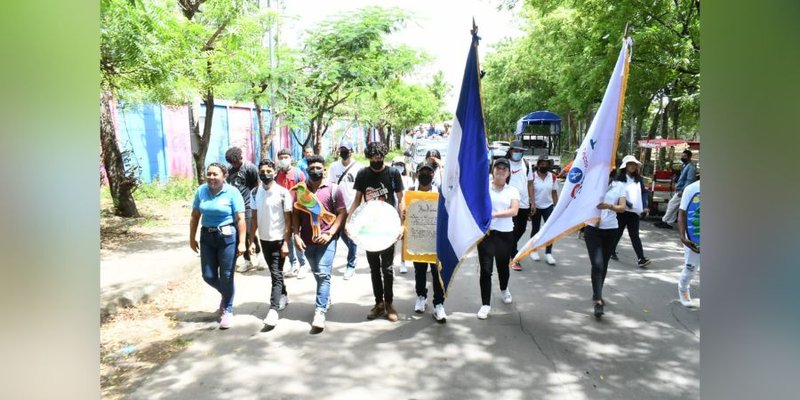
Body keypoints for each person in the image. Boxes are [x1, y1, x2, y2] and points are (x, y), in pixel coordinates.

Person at [348, 142, 405, 322]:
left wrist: (402, 225)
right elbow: (357, 199)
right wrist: (349, 222)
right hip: (368, 228)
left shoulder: (393, 173)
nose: (376, 159)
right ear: (368, 156)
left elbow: (401, 200)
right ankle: (378, 303)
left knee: (387, 268)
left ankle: (389, 303)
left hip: (388, 227)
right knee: (374, 268)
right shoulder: (363, 174)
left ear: (384, 156)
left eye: (379, 156)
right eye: (373, 156)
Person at [291, 155, 347, 330]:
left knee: (323, 273)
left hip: (327, 239)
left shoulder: (334, 189)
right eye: (312, 168)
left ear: (324, 169)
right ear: (307, 170)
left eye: (319, 168)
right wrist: (296, 235)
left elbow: (342, 213)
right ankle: (326, 295)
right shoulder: (300, 190)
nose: (315, 171)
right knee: (317, 272)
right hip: (307, 240)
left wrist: (330, 233)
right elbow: (295, 215)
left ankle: (320, 311)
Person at [189, 163, 247, 329]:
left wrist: (242, 243)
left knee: (227, 275)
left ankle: (227, 309)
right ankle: (227, 293)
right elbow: (195, 216)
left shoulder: (232, 192)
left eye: (215, 174)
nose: (211, 178)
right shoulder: (201, 191)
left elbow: (241, 219)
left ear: (224, 176)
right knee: (208, 275)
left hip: (227, 237)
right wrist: (191, 238)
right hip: (207, 236)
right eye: (209, 174)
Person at [249, 159, 293, 327]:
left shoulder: (283, 193)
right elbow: (254, 218)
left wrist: (286, 243)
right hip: (264, 239)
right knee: (276, 271)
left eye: (269, 171)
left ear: (275, 173)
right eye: (262, 171)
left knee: (275, 273)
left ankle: (273, 309)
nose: (265, 174)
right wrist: (251, 241)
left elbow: (288, 221)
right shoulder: (255, 192)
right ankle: (284, 295)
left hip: (279, 239)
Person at [476, 157, 520, 320]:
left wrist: (493, 214)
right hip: (486, 234)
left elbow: (514, 211)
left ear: (508, 173)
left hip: (505, 234)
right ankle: (485, 304)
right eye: (498, 168)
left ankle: (503, 288)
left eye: (504, 169)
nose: (500, 171)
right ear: (493, 171)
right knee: (486, 270)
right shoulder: (485, 188)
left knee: (503, 267)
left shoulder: (512, 191)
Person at [406, 162, 448, 321]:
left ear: (433, 175)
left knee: (438, 273)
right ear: (416, 174)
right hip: (417, 240)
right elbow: (405, 213)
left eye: (429, 172)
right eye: (422, 171)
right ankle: (421, 297)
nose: (425, 174)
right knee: (419, 271)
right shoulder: (411, 193)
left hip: (436, 242)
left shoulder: (440, 193)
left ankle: (439, 304)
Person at [584, 169, 627, 318]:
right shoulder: (591, 184)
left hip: (611, 230)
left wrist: (609, 206)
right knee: (597, 264)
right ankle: (597, 300)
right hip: (592, 229)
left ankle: (598, 294)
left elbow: (622, 207)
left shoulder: (619, 186)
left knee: (604, 264)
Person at [327, 140, 363, 280]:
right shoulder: (334, 167)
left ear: (351, 151)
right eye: (341, 149)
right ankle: (354, 251)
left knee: (352, 236)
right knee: (341, 234)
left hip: (353, 207)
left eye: (345, 149)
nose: (343, 151)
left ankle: (351, 265)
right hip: (338, 208)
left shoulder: (359, 168)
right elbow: (330, 185)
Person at [610, 155, 652, 268]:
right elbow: (617, 194)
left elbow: (644, 193)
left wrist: (645, 206)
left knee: (634, 235)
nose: (633, 166)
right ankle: (611, 250)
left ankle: (641, 258)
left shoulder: (639, 179)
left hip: (635, 212)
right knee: (618, 232)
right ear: (625, 166)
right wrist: (627, 203)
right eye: (630, 164)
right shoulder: (619, 179)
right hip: (622, 211)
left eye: (635, 164)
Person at [225, 147, 262, 273]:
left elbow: (257, 186)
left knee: (249, 232)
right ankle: (247, 261)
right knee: (239, 233)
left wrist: (256, 203)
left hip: (248, 205)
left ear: (241, 157)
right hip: (235, 207)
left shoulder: (250, 168)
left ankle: (258, 255)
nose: (234, 165)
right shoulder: (229, 170)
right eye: (232, 163)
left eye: (236, 162)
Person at [276, 148, 308, 278]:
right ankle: (293, 263)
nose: (283, 160)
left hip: (297, 210)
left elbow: (305, 192)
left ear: (290, 158)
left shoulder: (298, 174)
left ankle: (303, 263)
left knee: (296, 237)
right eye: (281, 157)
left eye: (286, 157)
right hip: (284, 212)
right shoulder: (277, 175)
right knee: (286, 237)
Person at [506, 140, 534, 271]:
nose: (518, 153)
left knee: (521, 229)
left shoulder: (527, 164)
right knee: (513, 228)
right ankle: (514, 258)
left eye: (520, 151)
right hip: (509, 203)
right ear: (510, 151)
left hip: (523, 203)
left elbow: (530, 184)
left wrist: (532, 201)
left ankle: (509, 246)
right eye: (515, 150)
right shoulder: (504, 163)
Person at [529, 155, 560, 265]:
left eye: (546, 164)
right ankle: (533, 250)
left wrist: (557, 207)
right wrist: (532, 203)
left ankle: (548, 253)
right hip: (536, 206)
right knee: (535, 229)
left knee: (549, 229)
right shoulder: (532, 176)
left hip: (549, 206)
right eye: (542, 164)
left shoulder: (552, 177)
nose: (544, 166)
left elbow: (554, 192)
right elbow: (531, 189)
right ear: (538, 165)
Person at [655, 149, 697, 229]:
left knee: (671, 204)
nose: (683, 158)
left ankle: (664, 221)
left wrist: (683, 190)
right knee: (675, 206)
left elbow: (690, 180)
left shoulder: (690, 167)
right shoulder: (685, 166)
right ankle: (669, 222)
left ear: (689, 157)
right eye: (682, 156)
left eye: (685, 156)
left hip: (682, 191)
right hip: (679, 189)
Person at [677, 179, 700, 307]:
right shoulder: (691, 188)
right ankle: (683, 288)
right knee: (691, 268)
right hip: (695, 237)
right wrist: (682, 237)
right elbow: (682, 213)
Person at [391, 156, 414, 274]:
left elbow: (410, 195)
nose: (398, 166)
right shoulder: (390, 178)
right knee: (392, 238)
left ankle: (403, 262)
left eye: (401, 164)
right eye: (396, 164)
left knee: (404, 238)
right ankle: (391, 262)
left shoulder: (408, 180)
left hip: (405, 211)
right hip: (392, 211)